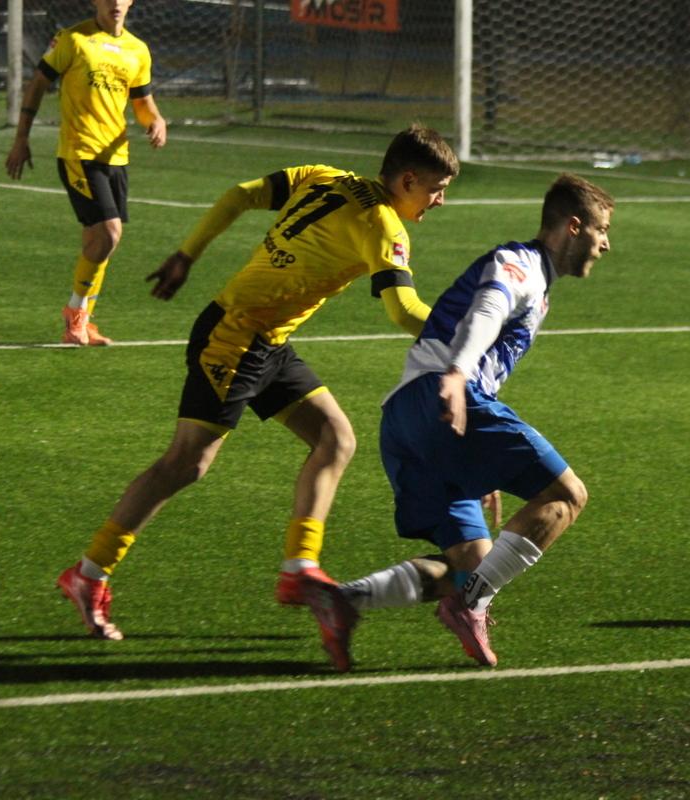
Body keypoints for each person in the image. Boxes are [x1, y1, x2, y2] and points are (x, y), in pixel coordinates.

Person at [54, 125, 460, 672]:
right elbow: (402, 309)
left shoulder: (326, 176)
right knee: (185, 464)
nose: (439, 201)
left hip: (265, 339)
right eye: (436, 189)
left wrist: (187, 254)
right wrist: (467, 337)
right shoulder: (381, 224)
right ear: (407, 180)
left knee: (335, 438)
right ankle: (89, 573)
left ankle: (299, 566)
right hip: (236, 338)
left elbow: (239, 195)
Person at [315, 173, 614, 671]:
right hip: (443, 394)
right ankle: (469, 607)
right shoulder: (521, 264)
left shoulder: (537, 282)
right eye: (602, 230)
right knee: (567, 496)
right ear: (574, 226)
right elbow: (487, 309)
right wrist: (456, 374)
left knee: (474, 564)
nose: (606, 244)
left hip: (406, 418)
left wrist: (480, 465)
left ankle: (346, 601)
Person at [5, 0, 167, 346]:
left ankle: (82, 323)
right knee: (109, 234)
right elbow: (37, 83)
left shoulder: (138, 50)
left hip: (116, 157)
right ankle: (75, 313)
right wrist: (21, 138)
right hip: (79, 154)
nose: (116, 3)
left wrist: (155, 121)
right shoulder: (73, 39)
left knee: (97, 242)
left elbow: (142, 101)